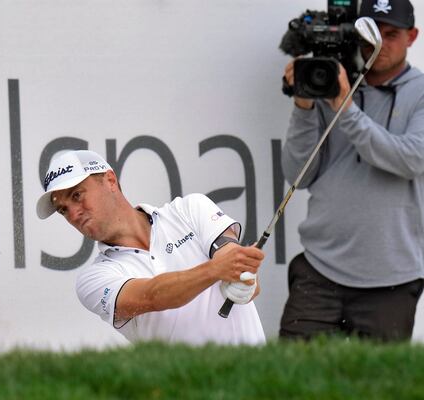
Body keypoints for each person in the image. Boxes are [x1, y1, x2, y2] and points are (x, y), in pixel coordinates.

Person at [279, 0, 424, 341]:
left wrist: (346, 111)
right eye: (371, 33)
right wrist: (303, 103)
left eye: (391, 34)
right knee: (292, 383)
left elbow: (410, 159)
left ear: (412, 36)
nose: (380, 44)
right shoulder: (330, 83)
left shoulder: (420, 91)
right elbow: (298, 174)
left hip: (391, 279)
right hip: (319, 269)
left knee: (378, 393)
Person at [36, 150, 266, 345]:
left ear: (110, 180)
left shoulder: (189, 209)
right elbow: (152, 297)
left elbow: (231, 257)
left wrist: (244, 278)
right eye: (63, 209)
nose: (73, 214)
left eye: (77, 195)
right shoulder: (93, 279)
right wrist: (218, 269)